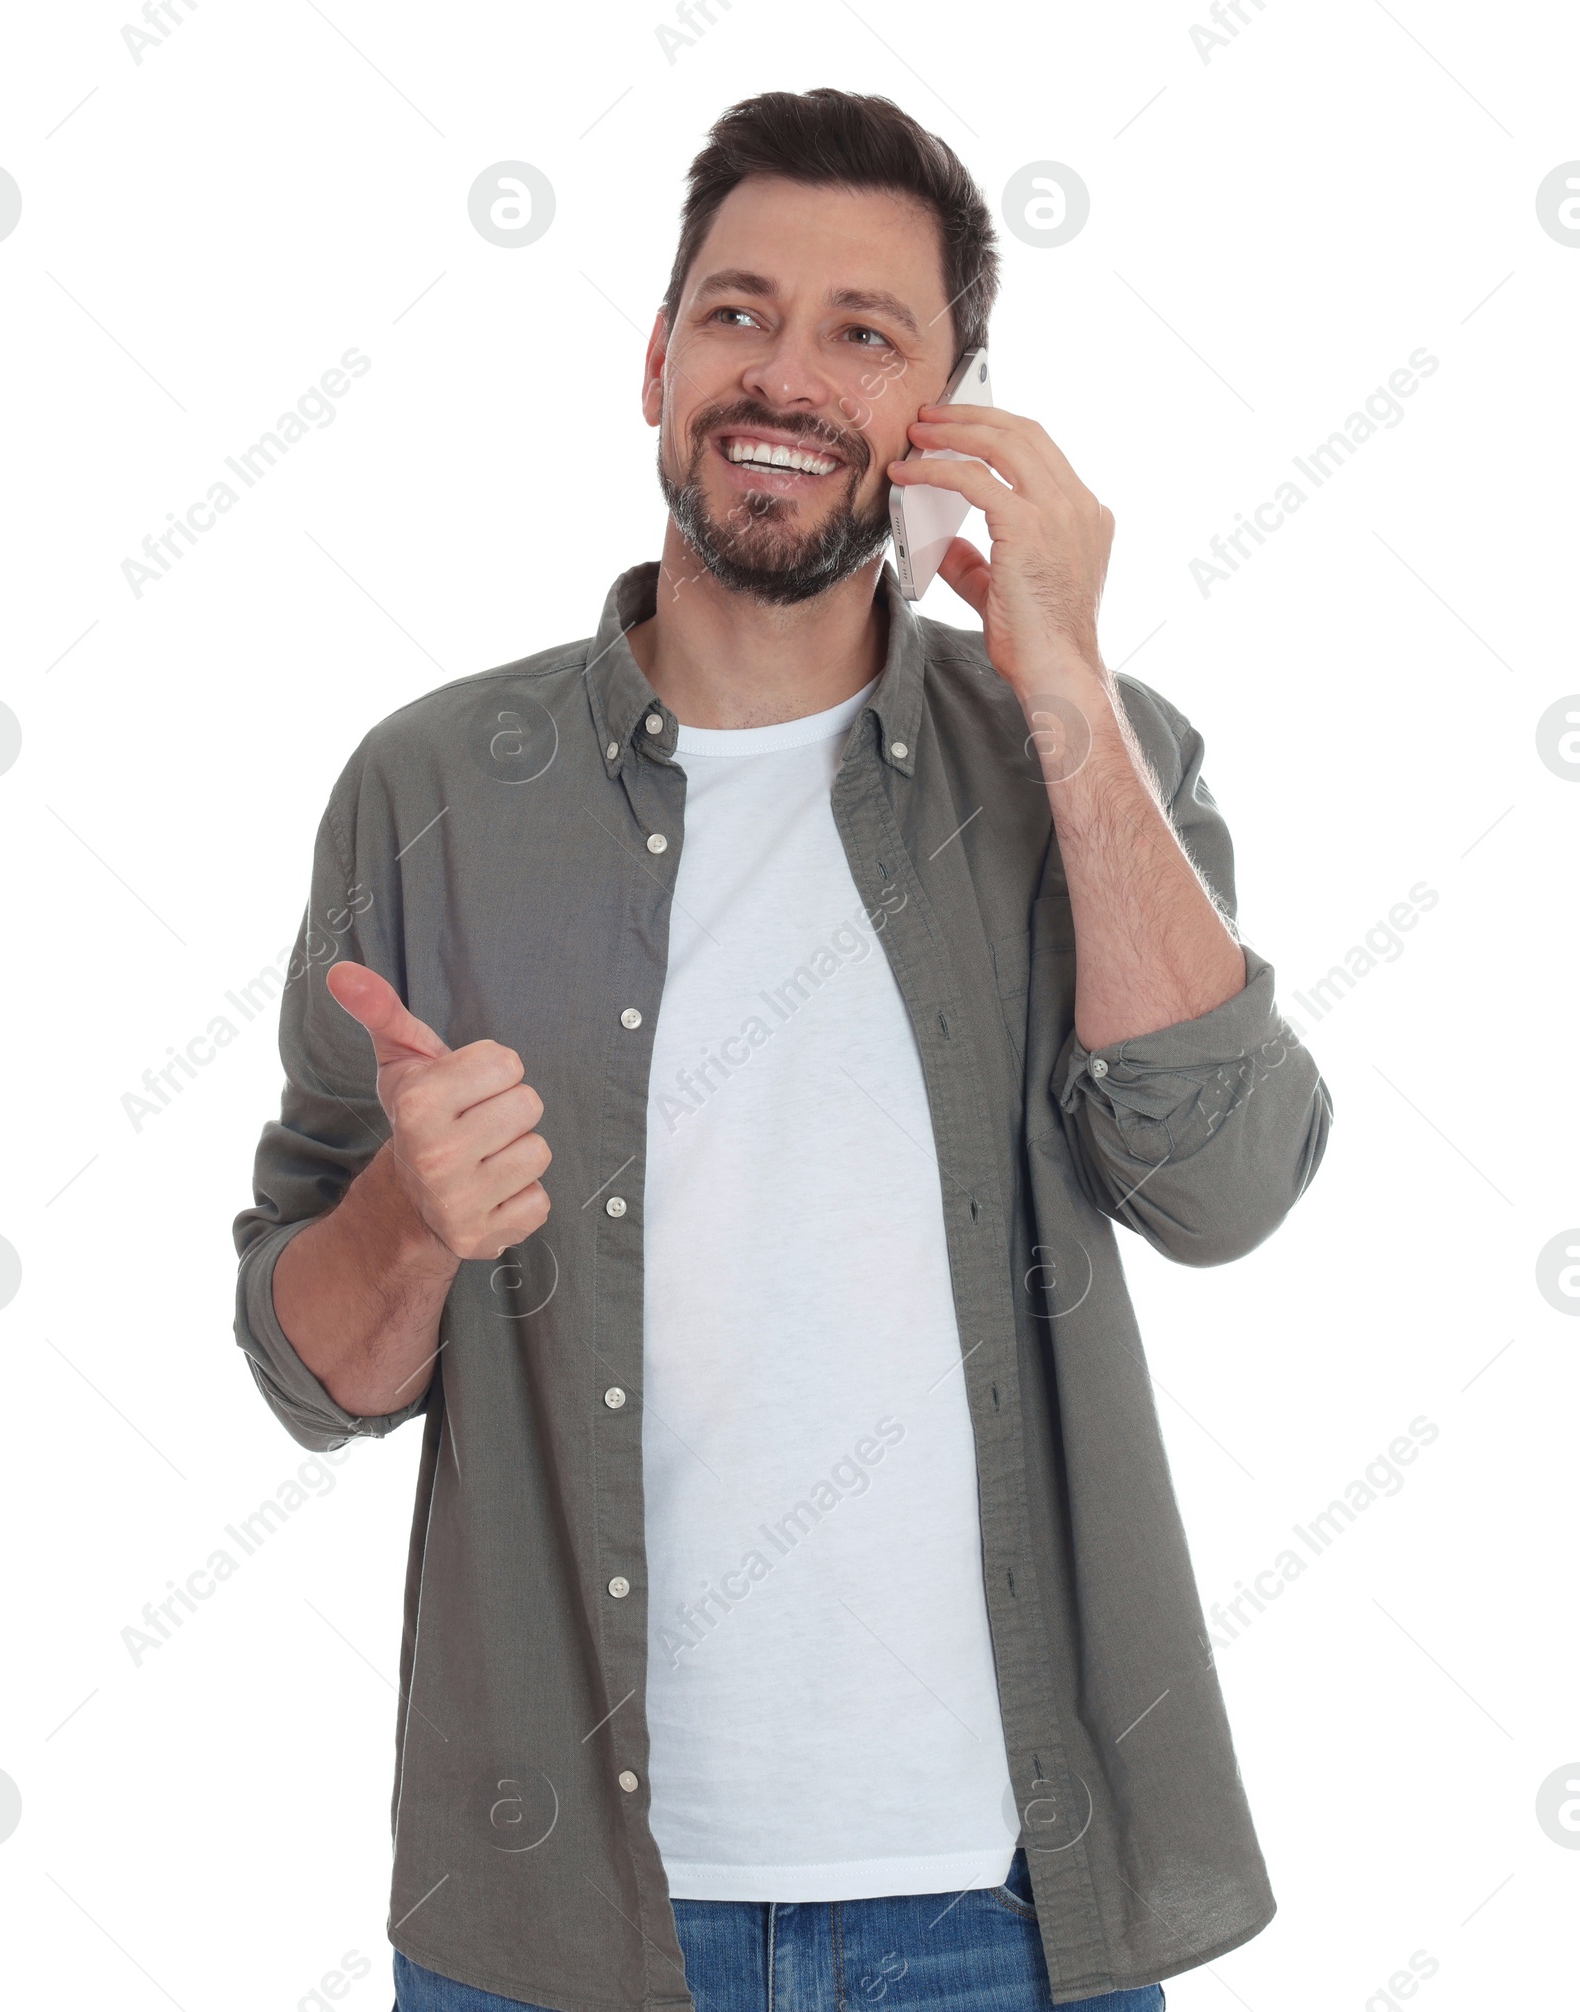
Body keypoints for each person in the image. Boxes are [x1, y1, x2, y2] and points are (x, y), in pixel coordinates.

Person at [233, 86, 1332, 2012]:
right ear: (658, 360)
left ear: (947, 414)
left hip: (1004, 1911)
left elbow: (1228, 1188)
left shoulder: (1088, 755)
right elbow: (314, 1378)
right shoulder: (430, 793)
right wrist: (408, 1218)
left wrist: (1059, 676)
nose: (785, 373)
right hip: (557, 1922)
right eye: (738, 313)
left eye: (865, 331)